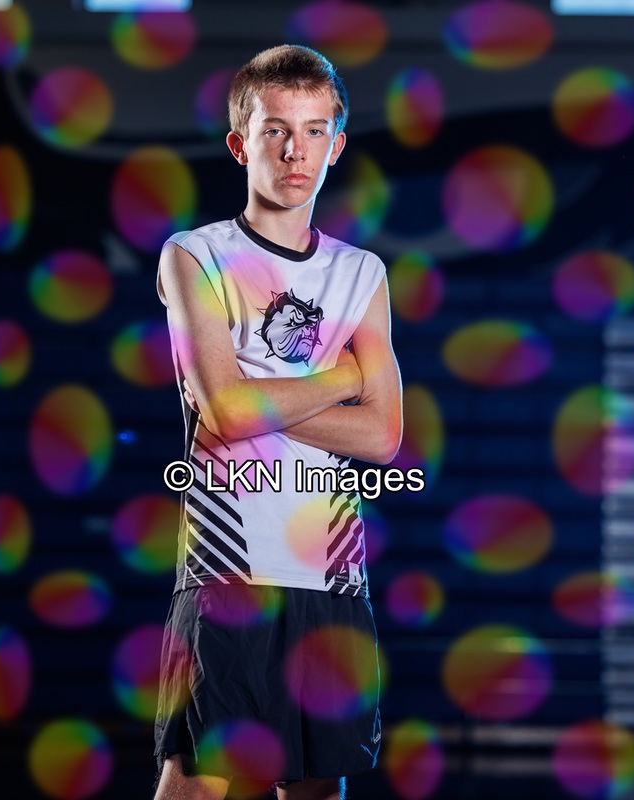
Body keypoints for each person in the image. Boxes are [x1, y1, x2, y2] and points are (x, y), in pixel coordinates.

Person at [153, 44, 403, 800]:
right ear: (241, 144)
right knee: (200, 784)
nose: (297, 150)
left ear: (336, 145)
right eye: (276, 130)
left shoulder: (361, 273)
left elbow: (382, 436)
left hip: (332, 574)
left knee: (318, 789)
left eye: (314, 130)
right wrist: (343, 380)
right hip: (228, 570)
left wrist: (253, 396)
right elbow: (226, 413)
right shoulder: (195, 255)